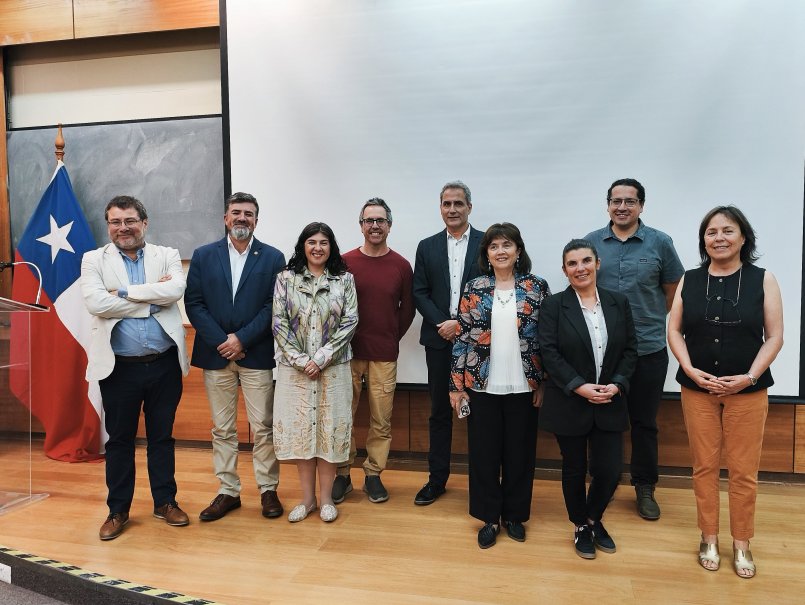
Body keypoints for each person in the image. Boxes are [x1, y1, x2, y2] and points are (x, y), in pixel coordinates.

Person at [667, 206, 782, 579]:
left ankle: (742, 543)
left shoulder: (763, 279)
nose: (719, 238)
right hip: (697, 389)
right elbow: (674, 330)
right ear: (704, 240)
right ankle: (709, 537)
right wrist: (688, 369)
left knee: (744, 472)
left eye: (727, 231)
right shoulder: (690, 278)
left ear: (743, 237)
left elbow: (775, 336)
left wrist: (749, 377)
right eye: (711, 232)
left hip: (747, 390)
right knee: (703, 467)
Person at [80, 195, 190, 541]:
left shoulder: (167, 255)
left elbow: (174, 290)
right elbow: (96, 302)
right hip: (119, 369)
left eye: (130, 221)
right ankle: (118, 510)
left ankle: (165, 502)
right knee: (119, 441)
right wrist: (148, 302)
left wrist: (124, 292)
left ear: (144, 222)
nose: (123, 228)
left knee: (162, 437)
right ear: (108, 225)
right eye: (115, 221)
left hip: (164, 365)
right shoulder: (93, 259)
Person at [585, 178, 684, 520]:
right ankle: (604, 482)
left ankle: (644, 486)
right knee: (604, 421)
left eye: (630, 201)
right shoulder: (592, 243)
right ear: (608, 205)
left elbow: (673, 290)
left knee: (644, 422)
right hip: (603, 352)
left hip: (648, 348)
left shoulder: (660, 242)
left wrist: (652, 319)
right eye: (616, 201)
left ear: (641, 205)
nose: (622, 207)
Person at [185, 192, 286, 522]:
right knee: (223, 429)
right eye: (236, 212)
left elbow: (274, 306)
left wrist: (241, 339)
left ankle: (268, 489)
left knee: (263, 427)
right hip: (216, 356)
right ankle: (228, 491)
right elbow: (195, 304)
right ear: (225, 218)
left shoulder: (272, 258)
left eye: (249, 213)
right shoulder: (203, 255)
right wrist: (223, 342)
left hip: (256, 354)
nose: (242, 218)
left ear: (257, 220)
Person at [449, 223, 549, 548]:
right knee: (484, 455)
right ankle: (489, 517)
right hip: (481, 386)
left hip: (525, 386)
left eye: (507, 245)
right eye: (494, 246)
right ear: (487, 254)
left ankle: (516, 515)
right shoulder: (475, 287)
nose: (501, 251)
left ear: (519, 250)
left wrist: (543, 383)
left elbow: (547, 340)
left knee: (520, 456)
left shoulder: (536, 287)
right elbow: (462, 339)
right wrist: (456, 386)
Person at [539, 239, 637, 559]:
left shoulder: (618, 302)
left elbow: (630, 350)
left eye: (585, 261)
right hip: (570, 400)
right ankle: (580, 524)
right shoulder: (554, 305)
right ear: (564, 270)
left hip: (610, 399)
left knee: (609, 470)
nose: (580, 268)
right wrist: (578, 386)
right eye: (572, 263)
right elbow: (549, 353)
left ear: (597, 264)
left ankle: (594, 518)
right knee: (574, 467)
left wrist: (618, 384)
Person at [272, 222, 358, 523]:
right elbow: (279, 322)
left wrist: (320, 358)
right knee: (302, 434)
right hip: (295, 372)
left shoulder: (344, 280)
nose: (318, 247)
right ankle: (307, 500)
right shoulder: (286, 279)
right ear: (303, 246)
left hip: (333, 369)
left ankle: (326, 501)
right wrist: (300, 359)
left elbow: (350, 322)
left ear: (331, 247)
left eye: (324, 242)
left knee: (328, 432)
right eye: (312, 242)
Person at [334, 198, 415, 504]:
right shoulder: (344, 263)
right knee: (344, 415)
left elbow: (407, 311)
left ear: (389, 226)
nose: (375, 226)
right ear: (361, 226)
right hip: (346, 355)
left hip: (384, 355)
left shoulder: (401, 266)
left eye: (380, 221)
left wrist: (390, 338)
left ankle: (373, 475)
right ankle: (342, 474)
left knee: (382, 420)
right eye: (369, 221)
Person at [412, 180, 484, 505]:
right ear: (440, 208)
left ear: (469, 206)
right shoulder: (426, 246)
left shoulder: (487, 244)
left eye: (458, 203)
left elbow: (494, 290)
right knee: (440, 412)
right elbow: (419, 292)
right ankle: (436, 480)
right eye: (446, 204)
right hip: (440, 342)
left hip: (479, 345)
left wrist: (462, 323)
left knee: (479, 415)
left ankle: (482, 484)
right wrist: (444, 323)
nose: (452, 209)